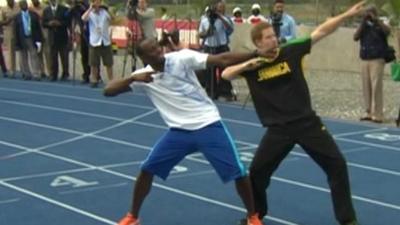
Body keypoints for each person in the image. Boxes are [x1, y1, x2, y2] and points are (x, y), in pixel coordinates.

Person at [103, 37, 277, 225]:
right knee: (146, 169)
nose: (158, 51)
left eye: (157, 47)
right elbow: (108, 91)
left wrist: (255, 53)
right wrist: (131, 78)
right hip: (178, 133)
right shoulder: (143, 77)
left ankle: (252, 217)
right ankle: (132, 217)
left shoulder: (181, 59)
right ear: (144, 56)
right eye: (152, 51)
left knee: (238, 172)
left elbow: (222, 59)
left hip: (208, 124)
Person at [222, 2, 367, 225]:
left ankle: (348, 220)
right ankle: (256, 216)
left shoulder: (291, 50)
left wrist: (347, 14)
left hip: (307, 124)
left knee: (337, 165)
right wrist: (249, 64)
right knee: (257, 174)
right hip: (278, 130)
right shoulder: (252, 65)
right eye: (268, 37)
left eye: (273, 35)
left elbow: (323, 31)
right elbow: (225, 75)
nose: (274, 39)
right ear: (258, 42)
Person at [354, 5, 390, 123]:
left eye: (369, 13)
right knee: (366, 87)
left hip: (377, 59)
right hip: (365, 58)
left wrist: (376, 20)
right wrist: (363, 23)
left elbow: (387, 32)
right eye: (366, 13)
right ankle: (368, 112)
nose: (368, 15)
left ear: (374, 13)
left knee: (376, 87)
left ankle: (377, 114)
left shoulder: (380, 24)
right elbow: (355, 37)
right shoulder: (364, 25)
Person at [198, 0, 235, 101]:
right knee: (209, 71)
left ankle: (226, 93)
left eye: (222, 7)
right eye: (218, 7)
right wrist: (207, 32)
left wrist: (219, 16)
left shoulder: (225, 19)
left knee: (224, 70)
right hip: (208, 47)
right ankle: (211, 92)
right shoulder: (204, 19)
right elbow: (200, 34)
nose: (220, 9)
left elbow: (230, 29)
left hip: (222, 47)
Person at [81, 0, 114, 88]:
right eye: (96, 2)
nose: (97, 4)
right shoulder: (90, 13)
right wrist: (90, 8)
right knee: (93, 63)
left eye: (99, 2)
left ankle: (111, 80)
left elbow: (112, 19)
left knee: (108, 62)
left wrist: (107, 9)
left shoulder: (104, 12)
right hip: (95, 40)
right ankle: (94, 79)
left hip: (105, 40)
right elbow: (83, 18)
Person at [14, 0, 43, 80]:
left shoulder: (33, 15)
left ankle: (36, 74)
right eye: (22, 4)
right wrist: (16, 43)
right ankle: (27, 73)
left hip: (32, 38)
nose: (24, 5)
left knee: (34, 56)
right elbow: (15, 31)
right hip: (22, 39)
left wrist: (39, 39)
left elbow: (38, 28)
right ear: (20, 6)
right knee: (23, 57)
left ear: (27, 5)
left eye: (25, 4)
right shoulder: (17, 17)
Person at [42, 0, 70, 81]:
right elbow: (43, 23)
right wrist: (49, 24)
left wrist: (60, 23)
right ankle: (53, 74)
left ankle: (65, 74)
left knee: (64, 57)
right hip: (52, 37)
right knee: (53, 57)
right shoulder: (46, 10)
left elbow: (68, 22)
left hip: (62, 36)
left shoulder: (64, 9)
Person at [69, 0, 91, 84]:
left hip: (89, 33)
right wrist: (73, 7)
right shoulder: (75, 7)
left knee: (91, 56)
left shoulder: (87, 5)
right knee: (84, 55)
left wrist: (83, 7)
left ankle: (95, 74)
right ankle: (86, 75)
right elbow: (68, 15)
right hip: (81, 33)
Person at [30, 0, 50, 79]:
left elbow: (43, 17)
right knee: (39, 53)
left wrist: (34, 11)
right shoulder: (30, 8)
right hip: (36, 34)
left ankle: (50, 72)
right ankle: (42, 71)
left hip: (45, 32)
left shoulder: (45, 7)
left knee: (47, 53)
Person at [0, 0, 19, 78]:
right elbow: (1, 22)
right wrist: (7, 21)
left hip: (19, 30)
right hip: (9, 31)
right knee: (11, 52)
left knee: (23, 52)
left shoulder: (18, 6)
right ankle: (11, 71)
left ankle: (28, 71)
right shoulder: (3, 9)